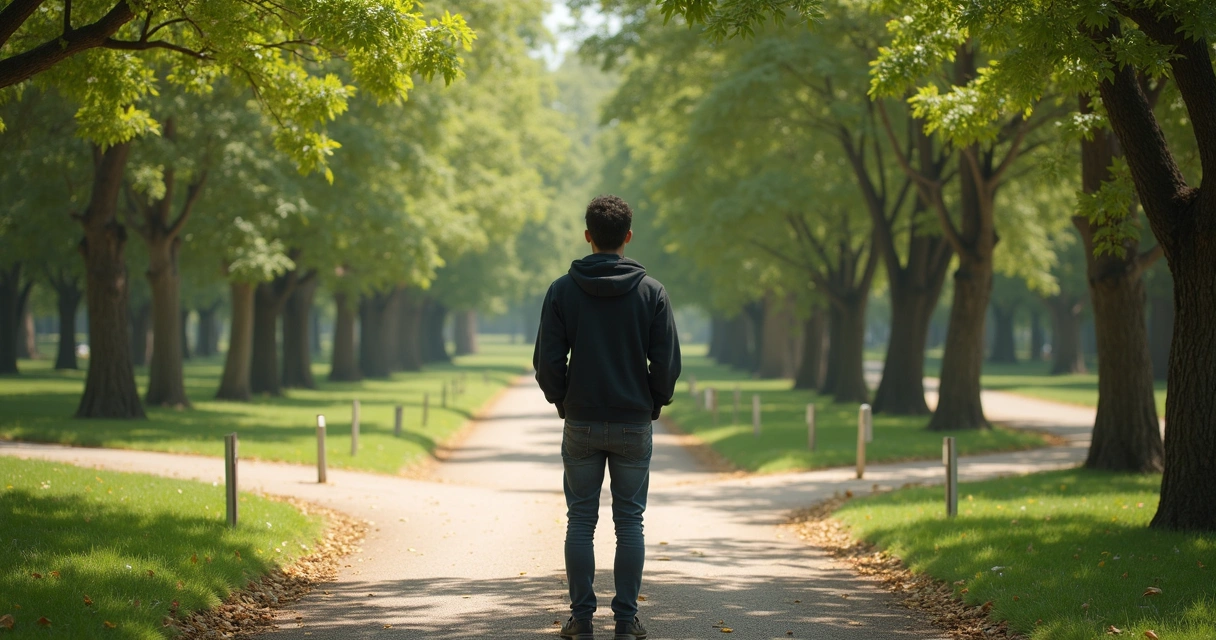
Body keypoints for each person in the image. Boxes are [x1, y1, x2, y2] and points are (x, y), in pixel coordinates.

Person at [533, 195, 682, 640]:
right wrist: (652, 402)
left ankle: (580, 620)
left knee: (580, 520)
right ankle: (625, 619)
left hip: (581, 420)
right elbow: (668, 364)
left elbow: (547, 363)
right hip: (633, 421)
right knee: (629, 522)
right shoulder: (651, 291)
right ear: (628, 237)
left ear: (588, 236)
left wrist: (564, 401)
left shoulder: (562, 290)